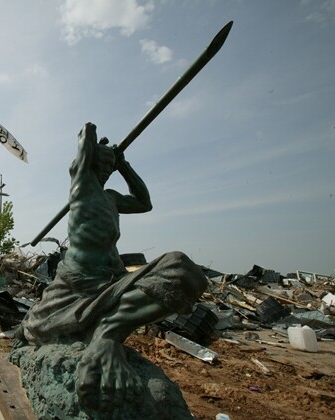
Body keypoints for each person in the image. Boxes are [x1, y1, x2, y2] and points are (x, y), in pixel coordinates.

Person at [15, 122, 207, 412]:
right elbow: (83, 147)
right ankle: (99, 333)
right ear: (90, 161)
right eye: (101, 163)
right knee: (35, 329)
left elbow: (145, 203)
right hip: (76, 284)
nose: (105, 169)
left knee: (184, 271)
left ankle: (107, 332)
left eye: (109, 165)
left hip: (111, 278)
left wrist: (123, 165)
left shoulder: (112, 198)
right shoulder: (82, 186)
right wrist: (90, 136)